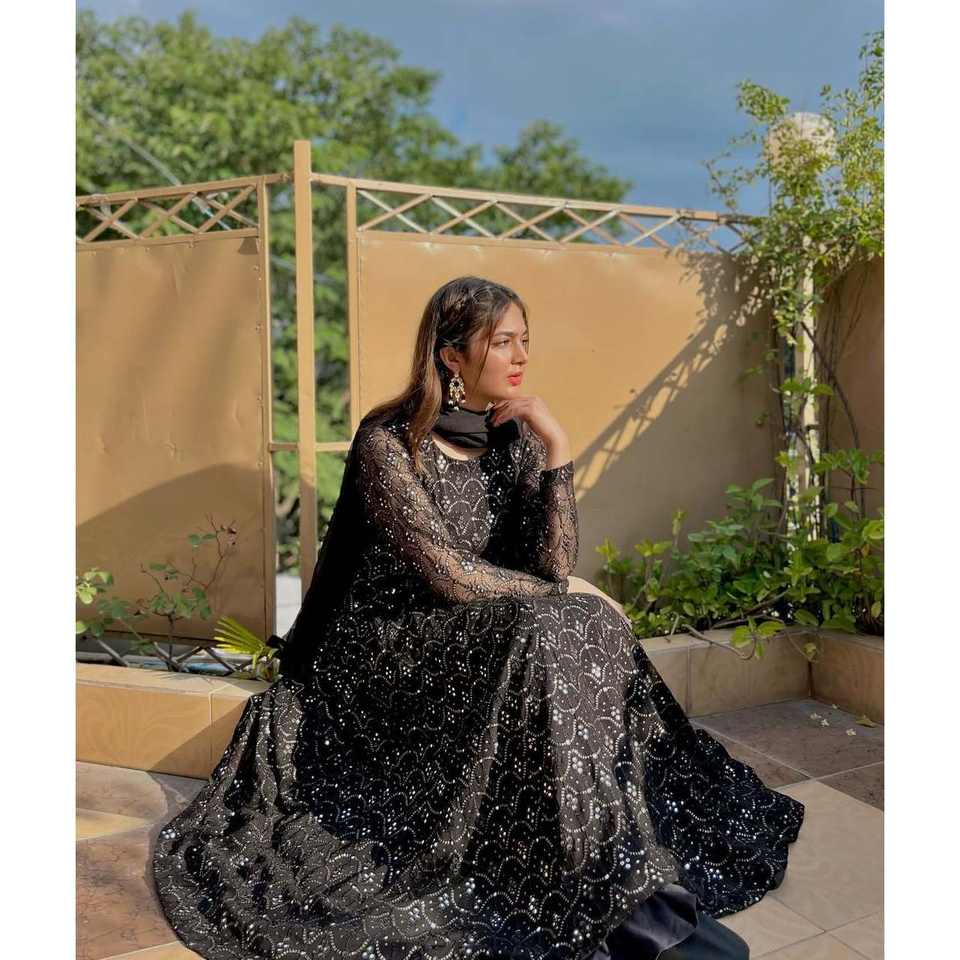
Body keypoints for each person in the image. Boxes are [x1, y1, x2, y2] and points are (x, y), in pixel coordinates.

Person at [152, 276, 804, 960]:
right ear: (452, 356)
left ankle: (604, 863)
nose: (521, 356)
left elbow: (553, 563)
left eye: (525, 340)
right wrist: (561, 595)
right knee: (559, 618)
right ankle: (611, 887)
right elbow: (451, 576)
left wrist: (558, 449)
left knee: (581, 624)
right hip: (389, 648)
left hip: (483, 633)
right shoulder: (389, 442)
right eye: (502, 342)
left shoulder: (516, 437)